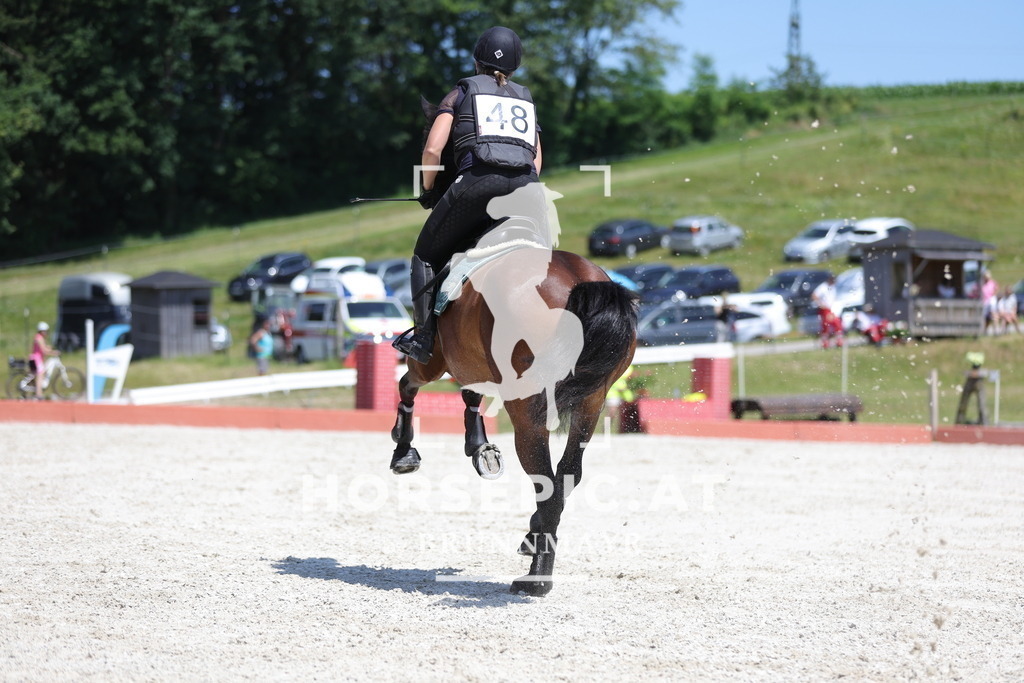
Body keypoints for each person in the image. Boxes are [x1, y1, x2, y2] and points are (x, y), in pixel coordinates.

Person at [393, 26, 543, 364]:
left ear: (477, 61)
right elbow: (536, 157)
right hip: (528, 192)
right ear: (516, 67)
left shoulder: (462, 92)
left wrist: (429, 190)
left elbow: (433, 150)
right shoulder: (525, 98)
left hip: (477, 183)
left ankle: (423, 338)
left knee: (425, 256)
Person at [810, 275, 843, 349]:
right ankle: (825, 342)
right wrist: (820, 304)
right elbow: (814, 295)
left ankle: (838, 340)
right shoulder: (823, 287)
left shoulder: (833, 287)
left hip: (832, 309)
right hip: (825, 309)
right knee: (826, 325)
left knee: (836, 324)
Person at [30, 321, 58, 399]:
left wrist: (49, 348)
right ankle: (39, 394)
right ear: (42, 331)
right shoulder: (39, 338)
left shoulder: (39, 337)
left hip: (38, 359)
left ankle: (37, 392)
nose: (46, 333)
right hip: (36, 359)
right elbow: (44, 350)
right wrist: (53, 352)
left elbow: (43, 349)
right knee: (40, 375)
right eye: (45, 331)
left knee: (41, 373)